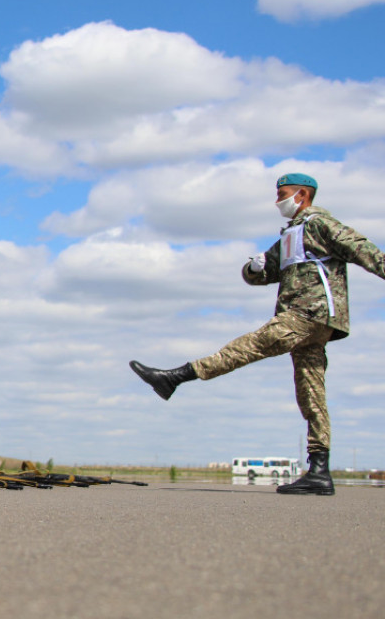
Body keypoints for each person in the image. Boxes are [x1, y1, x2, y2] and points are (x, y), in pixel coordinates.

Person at [130, 173, 385, 496]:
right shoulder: (291, 235)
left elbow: (363, 250)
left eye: (283, 194)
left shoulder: (320, 225)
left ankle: (177, 376)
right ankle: (319, 471)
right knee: (311, 393)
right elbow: (264, 274)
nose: (277, 201)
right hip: (313, 322)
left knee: (248, 346)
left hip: (308, 313)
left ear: (303, 195)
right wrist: (253, 268)